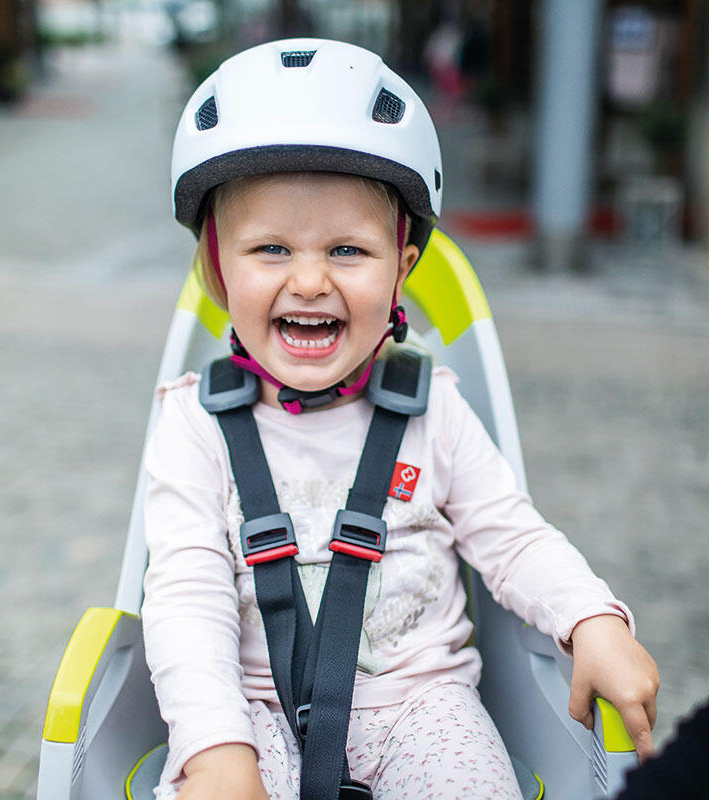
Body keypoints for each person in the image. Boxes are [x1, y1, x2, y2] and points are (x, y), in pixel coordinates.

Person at [142, 38, 659, 800]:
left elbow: (513, 538)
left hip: (426, 711)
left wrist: (591, 620)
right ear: (220, 270)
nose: (311, 280)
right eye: (271, 248)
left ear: (402, 268)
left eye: (348, 250)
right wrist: (216, 749)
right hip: (250, 717)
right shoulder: (195, 423)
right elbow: (185, 595)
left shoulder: (434, 409)